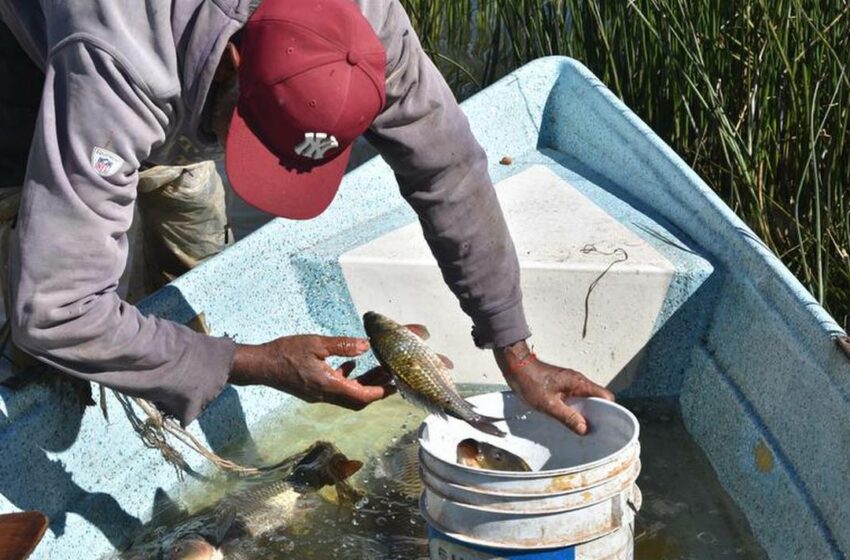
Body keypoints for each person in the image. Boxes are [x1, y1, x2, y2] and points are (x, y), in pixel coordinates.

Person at [0, 0, 612, 435]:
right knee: (44, 320)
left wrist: (516, 351)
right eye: (254, 137)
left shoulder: (369, 28)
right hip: (47, 58)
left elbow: (448, 170)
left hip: (185, 74)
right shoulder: (118, 60)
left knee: (188, 247)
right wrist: (250, 363)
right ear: (238, 63)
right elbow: (54, 308)